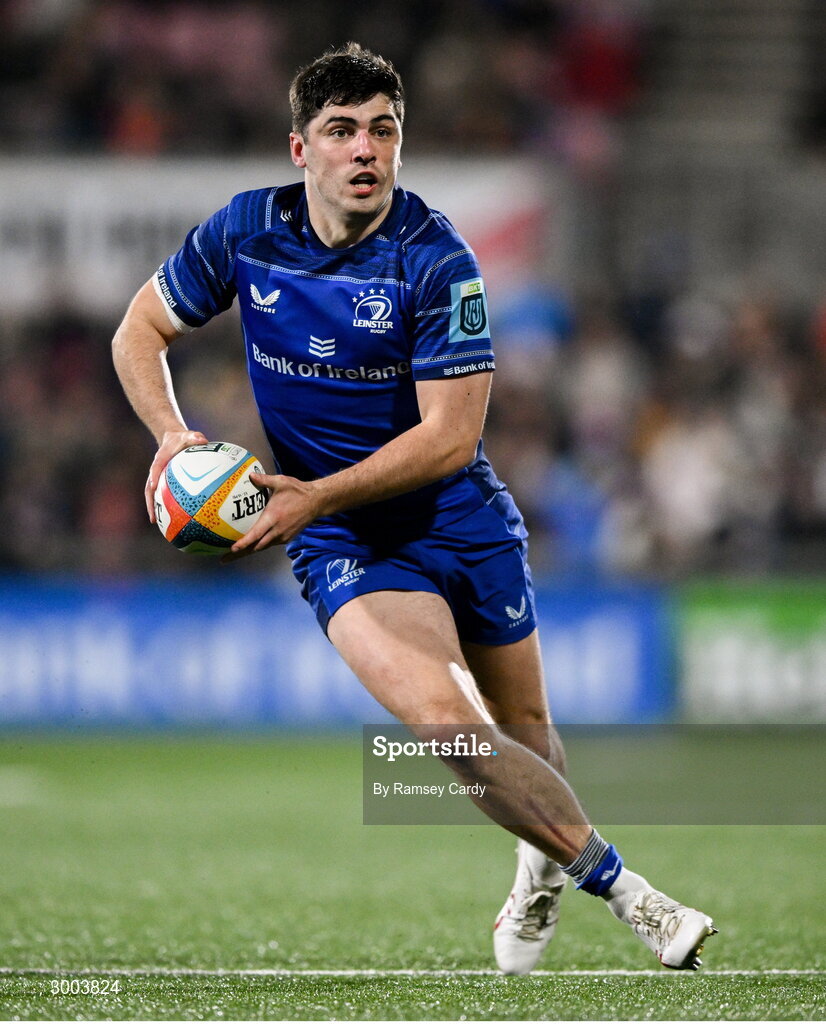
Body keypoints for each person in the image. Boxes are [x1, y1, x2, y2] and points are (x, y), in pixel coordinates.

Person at [112, 42, 716, 975]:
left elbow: (450, 440)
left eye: (383, 130)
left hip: (455, 516)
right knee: (450, 728)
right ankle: (630, 893)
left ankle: (541, 862)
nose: (365, 149)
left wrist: (314, 491)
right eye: (341, 131)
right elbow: (139, 330)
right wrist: (172, 437)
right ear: (299, 149)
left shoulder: (436, 259)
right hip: (343, 540)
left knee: (526, 732)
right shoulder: (245, 232)